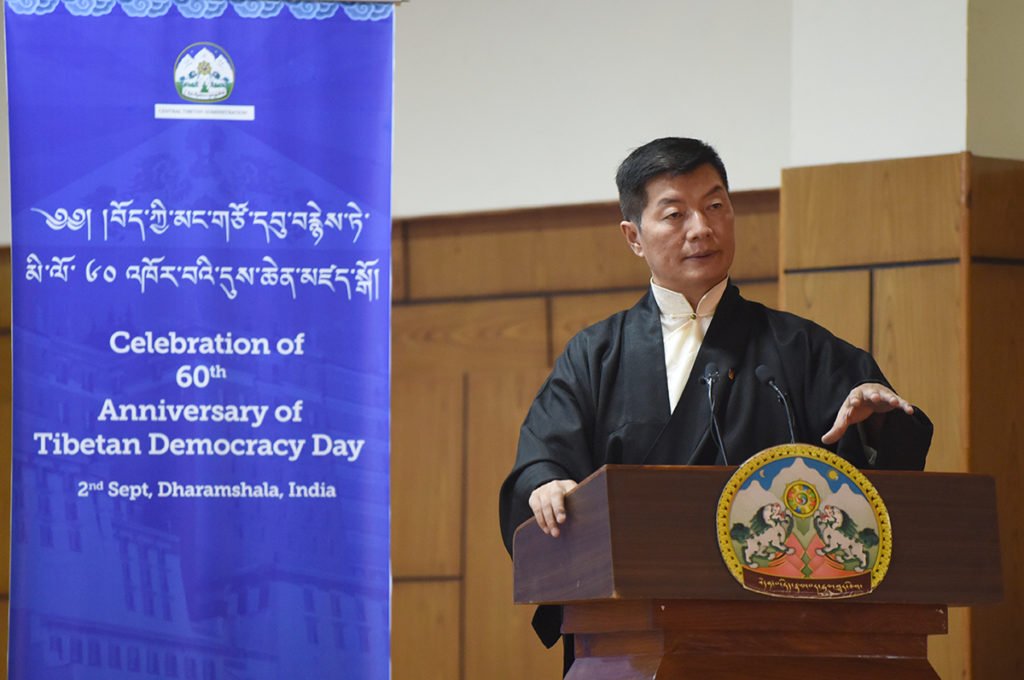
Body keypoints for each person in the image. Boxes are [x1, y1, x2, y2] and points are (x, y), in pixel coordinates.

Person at [498, 137, 933, 673]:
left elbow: (878, 469)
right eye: (675, 213)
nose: (701, 228)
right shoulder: (596, 355)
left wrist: (880, 421)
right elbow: (542, 461)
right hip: (635, 638)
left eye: (715, 206)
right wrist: (547, 485)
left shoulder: (799, 348)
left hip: (787, 632)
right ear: (634, 237)